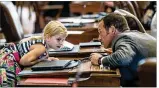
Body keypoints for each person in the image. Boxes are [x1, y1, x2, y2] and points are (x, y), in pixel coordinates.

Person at [89, 13, 156, 87]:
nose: (99, 38)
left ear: (112, 30)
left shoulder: (124, 38)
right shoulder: (133, 34)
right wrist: (116, 52)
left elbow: (123, 58)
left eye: (100, 32)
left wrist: (100, 60)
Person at [0, 21, 68, 87]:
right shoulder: (41, 48)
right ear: (48, 38)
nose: (61, 43)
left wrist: (46, 59)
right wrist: (40, 60)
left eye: (63, 40)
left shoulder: (42, 44)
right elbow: (23, 61)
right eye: (58, 39)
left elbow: (32, 56)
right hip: (7, 62)